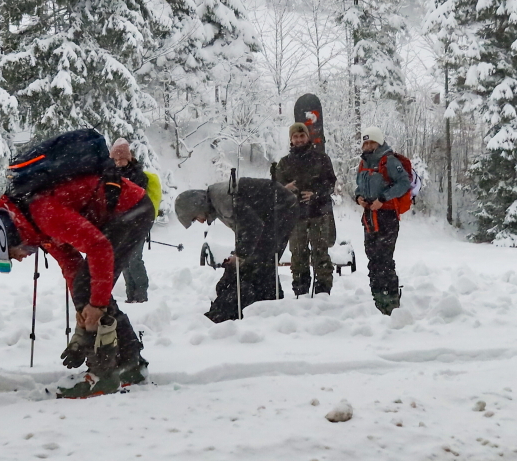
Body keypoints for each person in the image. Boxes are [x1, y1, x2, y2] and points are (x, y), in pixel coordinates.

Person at [0, 160, 155, 395]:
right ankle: (130, 365)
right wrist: (83, 316)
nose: (21, 257)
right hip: (125, 212)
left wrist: (97, 305)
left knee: (93, 293)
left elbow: (98, 247)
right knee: (88, 289)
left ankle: (104, 374)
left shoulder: (44, 214)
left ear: (10, 236)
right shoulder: (34, 223)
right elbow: (71, 265)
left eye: (14, 252)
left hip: (131, 210)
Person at [174, 177, 297, 322]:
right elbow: (245, 229)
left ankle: (262, 307)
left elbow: (252, 227)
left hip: (280, 212)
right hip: (277, 210)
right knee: (259, 262)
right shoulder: (217, 199)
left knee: (259, 262)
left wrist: (240, 255)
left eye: (195, 217)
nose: (200, 221)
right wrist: (239, 255)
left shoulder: (223, 201)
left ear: (197, 205)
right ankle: (266, 305)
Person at [273, 122, 337, 296]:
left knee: (320, 254)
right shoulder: (284, 163)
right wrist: (285, 189)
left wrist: (316, 194)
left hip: (319, 214)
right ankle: (300, 291)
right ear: (291, 140)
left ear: (308, 137)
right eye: (295, 137)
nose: (299, 139)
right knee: (298, 255)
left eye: (302, 136)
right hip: (295, 216)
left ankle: (323, 292)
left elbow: (331, 183)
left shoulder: (321, 159)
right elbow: (275, 189)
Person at [352, 126, 407, 315]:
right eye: (365, 142)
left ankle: (391, 300)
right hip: (369, 217)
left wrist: (382, 200)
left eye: (371, 142)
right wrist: (358, 197)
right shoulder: (363, 163)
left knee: (384, 259)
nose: (368, 145)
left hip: (387, 217)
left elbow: (404, 183)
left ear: (379, 142)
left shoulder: (389, 161)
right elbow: (359, 185)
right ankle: (377, 298)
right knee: (373, 259)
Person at [108, 138, 154, 303]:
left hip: (138, 223)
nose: (119, 162)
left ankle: (141, 295)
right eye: (116, 159)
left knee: (134, 258)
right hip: (120, 225)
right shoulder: (110, 175)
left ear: (129, 158)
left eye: (122, 158)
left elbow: (135, 199)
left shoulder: (138, 175)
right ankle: (130, 296)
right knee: (124, 260)